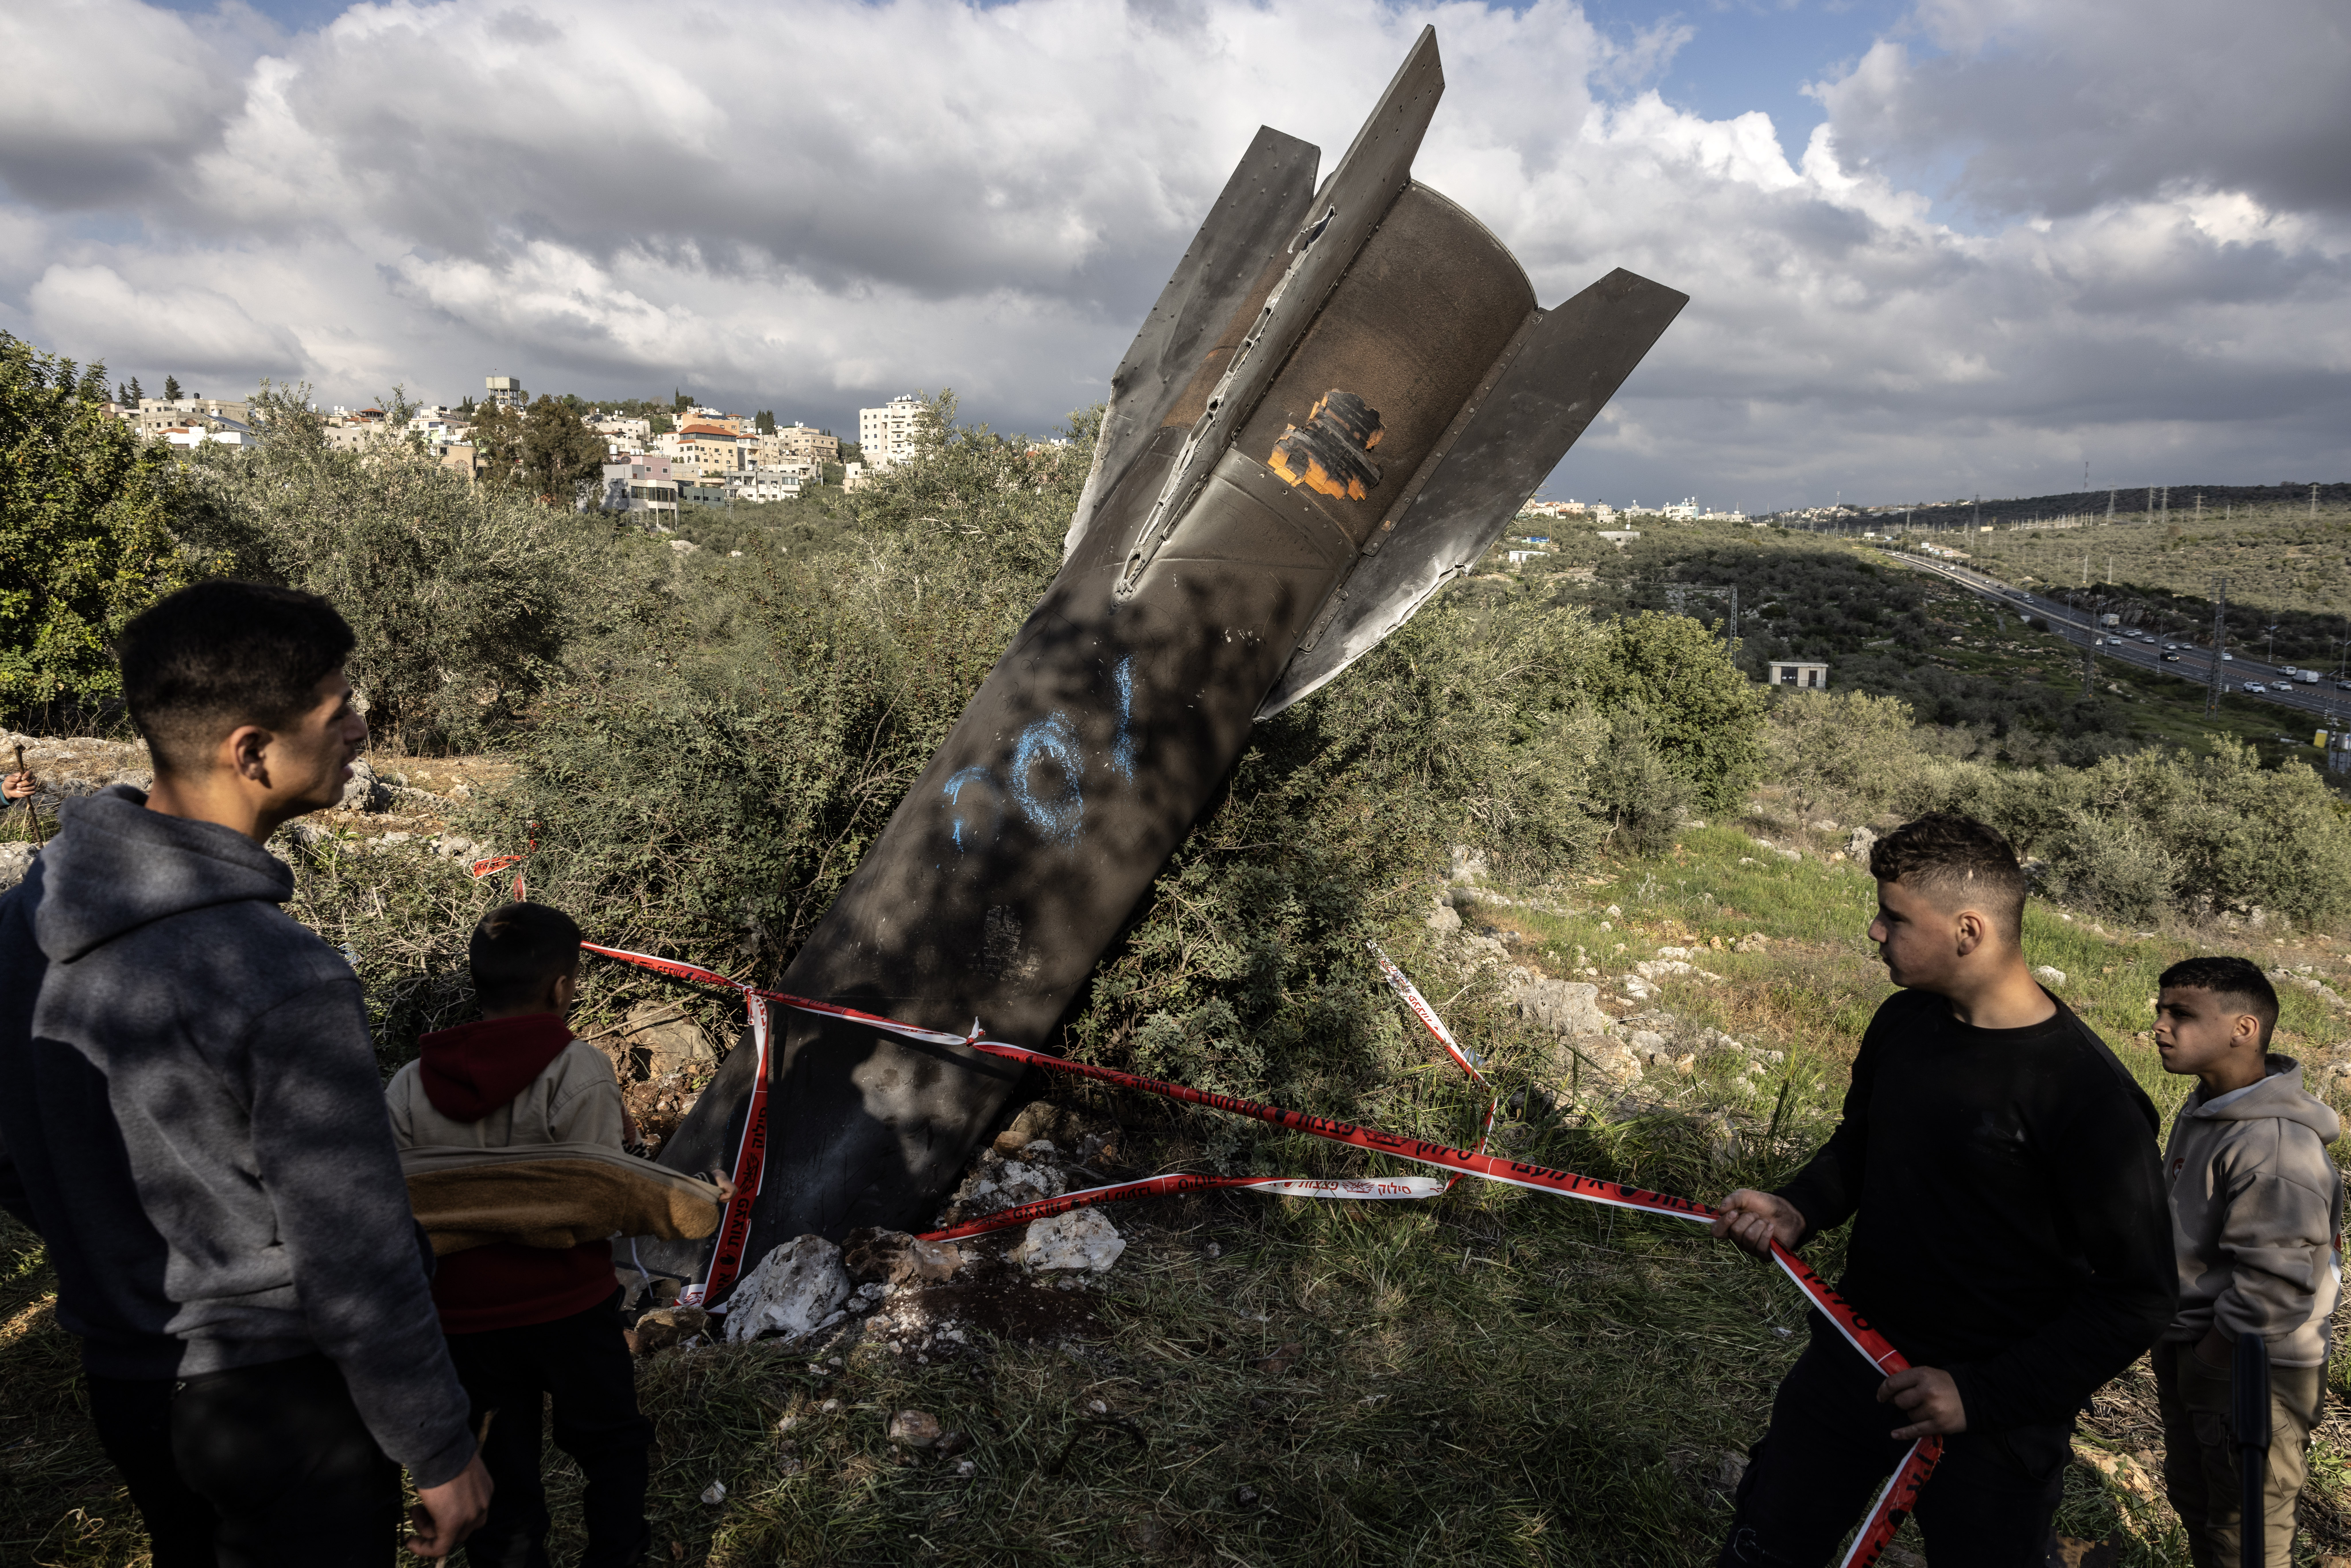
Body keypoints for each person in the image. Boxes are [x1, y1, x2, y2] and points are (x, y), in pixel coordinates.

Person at [0, 580, 490, 1565]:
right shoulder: (283, 977)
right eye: (338, 708)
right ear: (253, 750)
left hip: (133, 1387)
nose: (361, 729)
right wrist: (439, 1448)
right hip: (280, 1402)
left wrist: (99, 1249)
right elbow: (355, 1251)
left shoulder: (29, 915)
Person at [1710, 812, 2176, 1565]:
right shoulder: (1905, 1022)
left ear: (1969, 931)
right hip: (1854, 1361)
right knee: (1769, 1544)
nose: (1874, 932)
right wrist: (1801, 1206)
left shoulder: (2088, 1100)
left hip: (1995, 1414)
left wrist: (1980, 1397)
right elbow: (1863, 1144)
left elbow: (2140, 1297)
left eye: (1895, 918)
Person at [386, 902, 677, 1568]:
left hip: (461, 1319)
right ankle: (616, 1554)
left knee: (500, 1474)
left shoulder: (408, 1084)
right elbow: (595, 1202)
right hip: (568, 1306)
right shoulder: (580, 1072)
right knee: (612, 1444)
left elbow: (398, 1202)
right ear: (562, 986)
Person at [2149, 956, 2340, 1568]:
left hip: (2253, 1368)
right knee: (2199, 1506)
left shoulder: (2274, 1144)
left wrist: (2209, 1361)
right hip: (2203, 1347)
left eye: (2181, 1013)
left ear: (2243, 1028)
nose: (2159, 1025)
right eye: (2160, 1009)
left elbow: (2276, 1288)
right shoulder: (2207, 1104)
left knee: (2246, 1538)